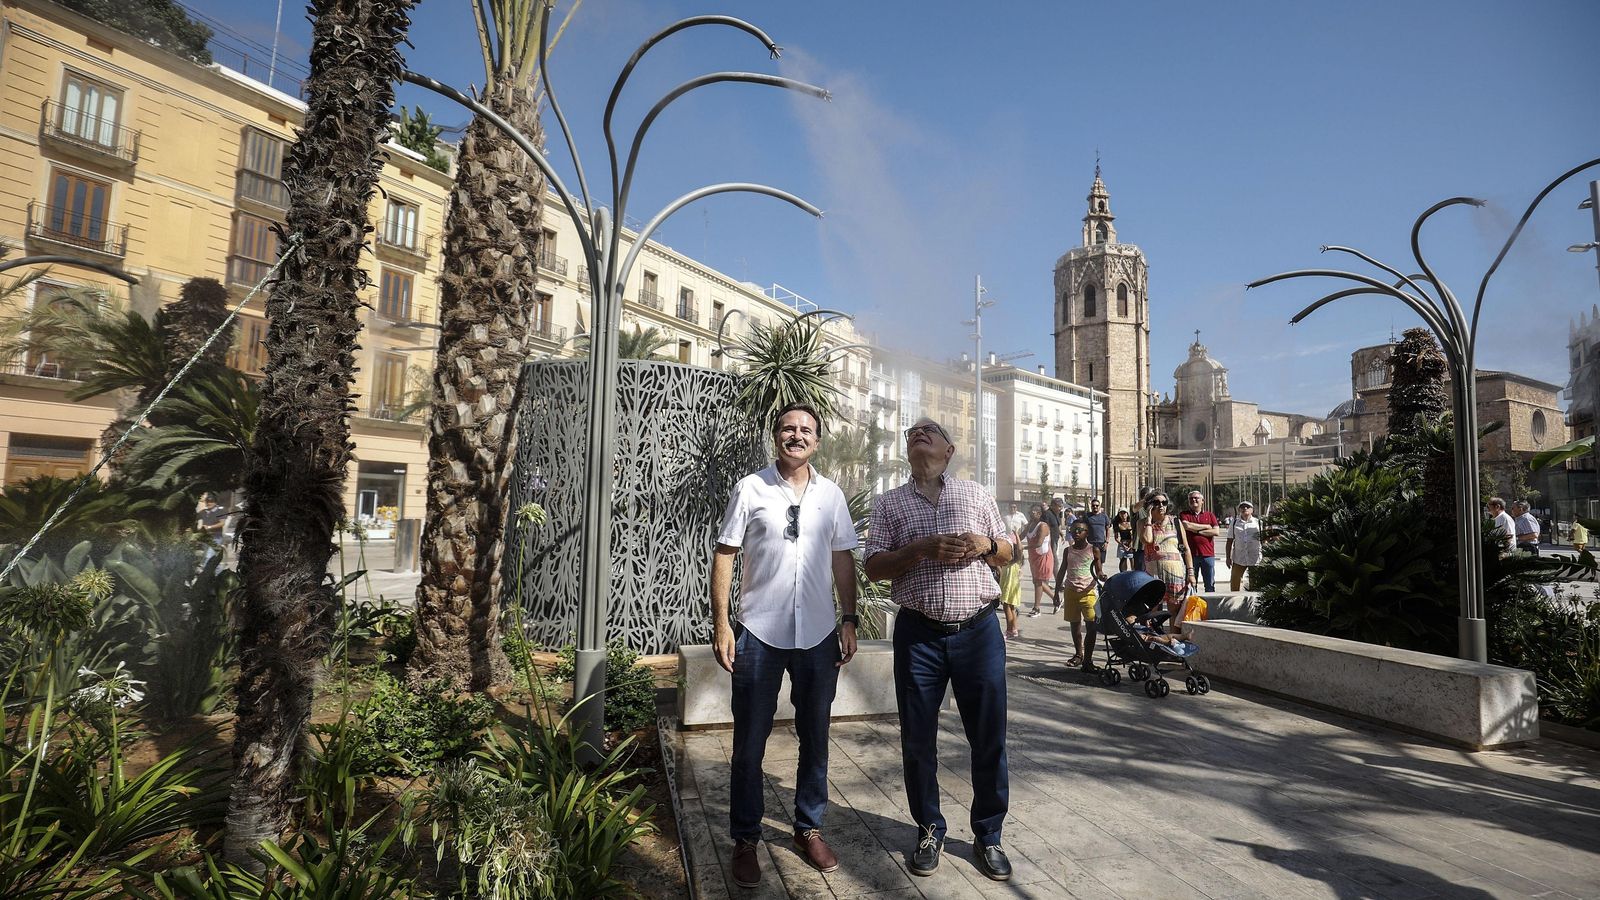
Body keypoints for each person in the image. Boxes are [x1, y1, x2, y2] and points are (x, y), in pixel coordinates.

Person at [710, 403, 860, 888]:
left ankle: (807, 828)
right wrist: (722, 624)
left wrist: (850, 618)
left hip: (817, 635)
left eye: (805, 430)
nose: (796, 436)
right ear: (776, 436)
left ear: (818, 440)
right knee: (749, 745)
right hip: (758, 632)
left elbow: (842, 561)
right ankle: (746, 839)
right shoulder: (750, 488)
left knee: (815, 738)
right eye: (787, 429)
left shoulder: (832, 496)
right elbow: (725, 555)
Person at [864, 417, 1015, 882]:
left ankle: (988, 834)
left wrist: (985, 542)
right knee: (917, 739)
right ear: (907, 451)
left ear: (949, 451)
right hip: (920, 635)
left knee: (988, 737)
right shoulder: (888, 505)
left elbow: (1009, 551)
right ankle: (929, 827)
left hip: (978, 632)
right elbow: (873, 566)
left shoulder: (975, 494)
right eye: (912, 433)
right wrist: (922, 549)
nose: (918, 434)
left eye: (929, 431)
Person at [1054, 519, 1105, 670]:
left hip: (1088, 592)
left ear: (1087, 533)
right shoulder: (1067, 551)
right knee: (1075, 627)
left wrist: (1101, 575)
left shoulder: (1093, 550)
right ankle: (1079, 655)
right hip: (1070, 592)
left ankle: (1088, 661)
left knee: (1091, 627)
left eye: (1080, 530)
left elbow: (1098, 569)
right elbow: (1062, 570)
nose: (1076, 533)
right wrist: (1057, 592)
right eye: (1073, 530)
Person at [1141, 491, 1193, 618]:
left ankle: (1172, 637)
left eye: (1164, 503)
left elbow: (1186, 548)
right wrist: (1148, 519)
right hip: (1153, 575)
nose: (1161, 506)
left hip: (1175, 574)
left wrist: (1191, 572)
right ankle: (1153, 637)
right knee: (1151, 611)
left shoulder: (1175, 522)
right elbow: (1147, 540)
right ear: (1149, 505)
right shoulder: (1142, 523)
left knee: (1174, 612)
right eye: (1156, 503)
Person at [1177, 491, 1220, 592]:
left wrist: (1195, 530)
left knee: (1210, 584)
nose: (1193, 500)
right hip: (1190, 555)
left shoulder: (1210, 515)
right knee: (1191, 585)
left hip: (1208, 555)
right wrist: (1206, 527)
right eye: (1191, 498)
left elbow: (1216, 531)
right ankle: (1192, 606)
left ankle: (1209, 606)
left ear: (1203, 501)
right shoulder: (1184, 514)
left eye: (1196, 498)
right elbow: (1186, 526)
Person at [1024, 503, 1057, 617]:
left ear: (1039, 513)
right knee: (1037, 582)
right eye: (1030, 512)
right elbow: (1021, 535)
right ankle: (1056, 599)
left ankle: (1036, 608)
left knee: (1038, 582)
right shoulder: (1030, 525)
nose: (1030, 514)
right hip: (1033, 557)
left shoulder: (1043, 526)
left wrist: (1023, 547)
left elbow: (1038, 544)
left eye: (1032, 512)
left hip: (1044, 557)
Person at [997, 511, 1024, 639]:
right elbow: (1020, 548)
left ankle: (1009, 630)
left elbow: (1019, 548)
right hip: (1012, 587)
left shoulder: (1008, 560)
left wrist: (1016, 535)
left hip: (1008, 586)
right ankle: (1014, 629)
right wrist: (1017, 535)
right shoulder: (1016, 561)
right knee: (1011, 608)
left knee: (1007, 608)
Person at [1224, 501, 1262, 591]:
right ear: (1239, 510)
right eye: (1242, 507)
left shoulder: (1259, 523)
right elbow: (1229, 541)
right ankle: (1234, 600)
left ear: (1252, 510)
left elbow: (1264, 540)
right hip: (1239, 558)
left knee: (1255, 583)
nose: (1245, 508)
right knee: (1234, 581)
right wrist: (1228, 558)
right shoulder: (1234, 523)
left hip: (1255, 558)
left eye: (1247, 507)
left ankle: (1254, 602)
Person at [1081, 498, 1111, 569]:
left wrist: (1106, 542)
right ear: (1091, 506)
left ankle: (1098, 578)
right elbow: (1083, 528)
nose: (1095, 507)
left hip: (1101, 543)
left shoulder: (1104, 516)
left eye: (1097, 505)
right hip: (1090, 543)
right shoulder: (1087, 516)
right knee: (1089, 562)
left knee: (1100, 562)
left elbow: (1108, 529)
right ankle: (1091, 578)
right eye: (1093, 505)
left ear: (1099, 506)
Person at [1112, 508, 1136, 573]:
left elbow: (1134, 535)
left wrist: (1131, 544)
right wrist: (1122, 545)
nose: (1123, 515)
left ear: (1127, 514)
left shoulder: (1131, 523)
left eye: (1124, 513)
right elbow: (1116, 538)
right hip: (1122, 544)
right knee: (1123, 566)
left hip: (1131, 544)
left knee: (1133, 565)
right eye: (1121, 513)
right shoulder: (1118, 524)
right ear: (1119, 514)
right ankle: (1123, 579)